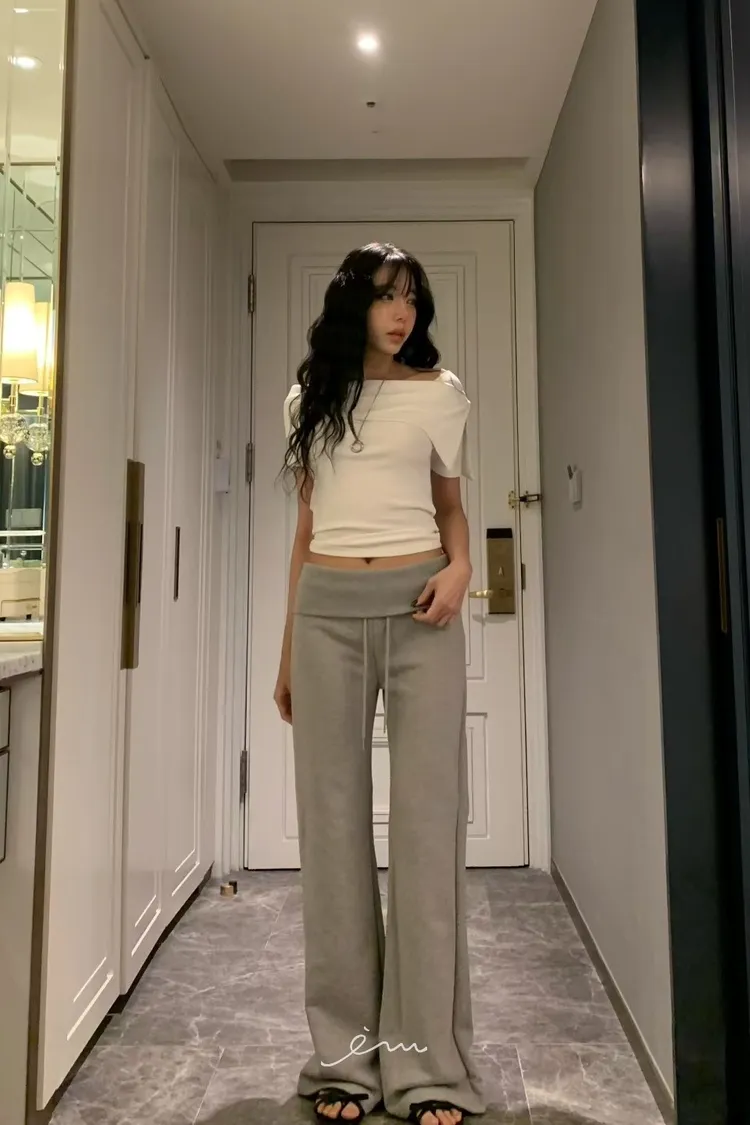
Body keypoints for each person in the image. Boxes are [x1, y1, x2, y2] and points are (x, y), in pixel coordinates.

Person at [274, 242, 486, 1125]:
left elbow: (450, 507)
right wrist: (287, 649)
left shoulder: (440, 393)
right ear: (352, 303)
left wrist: (462, 568)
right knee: (331, 835)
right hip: (325, 612)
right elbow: (306, 526)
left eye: (412, 298)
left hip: (420, 610)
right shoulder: (308, 399)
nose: (403, 313)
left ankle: (428, 1067)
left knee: (429, 831)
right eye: (386, 296)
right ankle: (344, 1060)